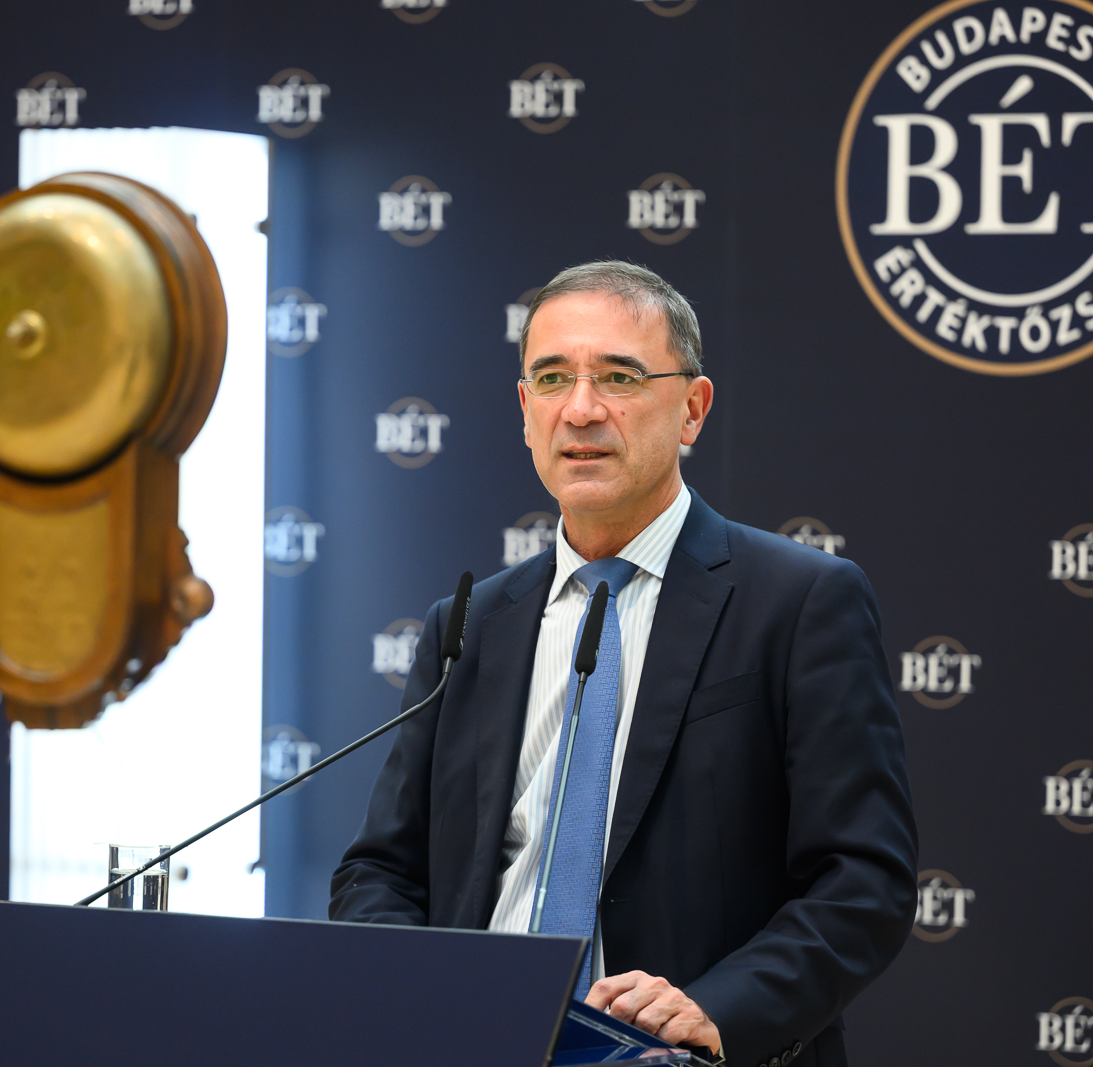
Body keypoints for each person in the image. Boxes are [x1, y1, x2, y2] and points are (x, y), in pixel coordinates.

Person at [330, 261, 916, 1067]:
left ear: (692, 410)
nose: (581, 408)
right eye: (552, 378)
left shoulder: (800, 601)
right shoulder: (469, 625)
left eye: (619, 377)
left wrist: (714, 1008)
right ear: (525, 411)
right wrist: (430, 997)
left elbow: (863, 881)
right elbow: (379, 871)